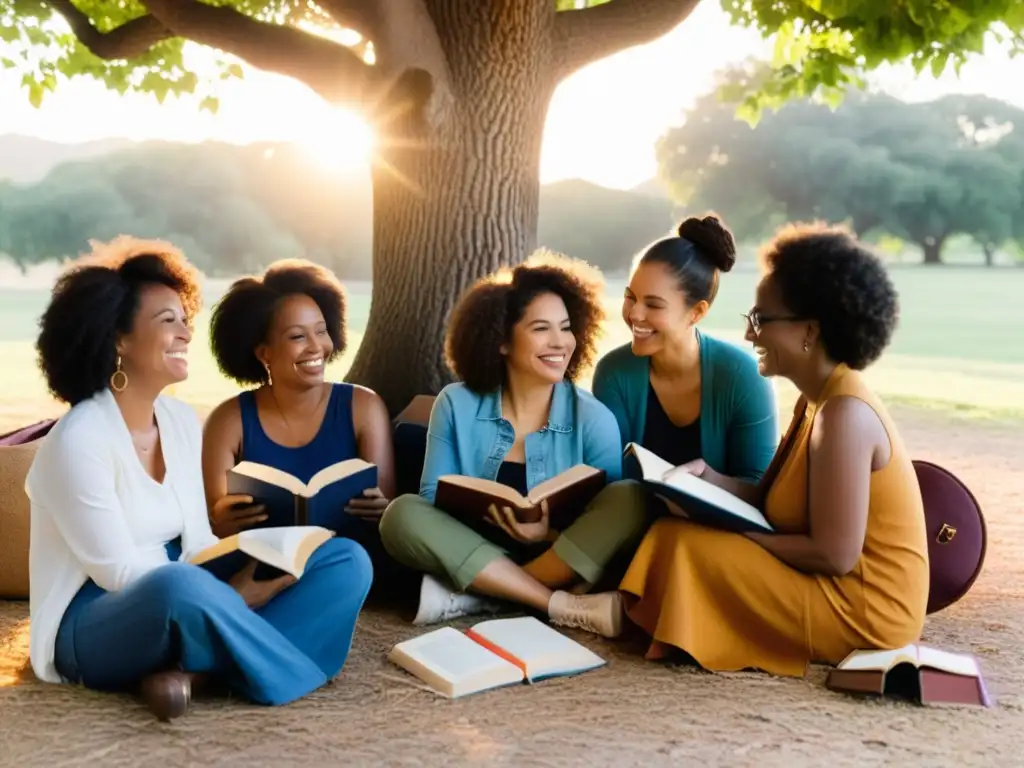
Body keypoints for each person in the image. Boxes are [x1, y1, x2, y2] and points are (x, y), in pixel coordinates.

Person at [26, 237, 373, 721]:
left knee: (343, 559)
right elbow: (117, 574)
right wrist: (236, 597)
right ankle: (275, 664)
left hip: (183, 581)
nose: (186, 333)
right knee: (177, 589)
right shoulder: (79, 438)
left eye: (184, 319)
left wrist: (274, 554)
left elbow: (198, 542)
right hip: (95, 619)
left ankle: (193, 675)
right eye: (167, 321)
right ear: (118, 340)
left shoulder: (180, 421)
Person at [620, 222, 930, 676]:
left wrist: (741, 537)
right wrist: (706, 480)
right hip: (831, 586)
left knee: (690, 547)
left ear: (809, 330)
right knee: (674, 534)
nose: (750, 335)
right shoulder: (816, 400)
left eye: (761, 320)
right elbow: (769, 498)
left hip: (864, 612)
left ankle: (637, 618)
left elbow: (834, 555)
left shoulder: (844, 413)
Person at [378, 252, 645, 637]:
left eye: (566, 327)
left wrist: (547, 535)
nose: (560, 342)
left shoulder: (594, 417)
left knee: (630, 497)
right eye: (541, 329)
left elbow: (605, 515)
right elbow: (432, 494)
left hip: (558, 555)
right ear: (501, 341)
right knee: (401, 513)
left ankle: (483, 596)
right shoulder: (456, 403)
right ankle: (552, 603)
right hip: (471, 548)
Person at [201, 259, 396, 577]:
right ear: (264, 353)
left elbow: (387, 507)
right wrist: (221, 519)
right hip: (263, 566)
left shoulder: (364, 406)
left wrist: (384, 510)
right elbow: (214, 521)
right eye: (297, 337)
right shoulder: (228, 420)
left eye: (321, 331)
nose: (316, 346)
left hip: (349, 563)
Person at [593, 214, 777, 481]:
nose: (634, 314)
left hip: (717, 523)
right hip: (633, 517)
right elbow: (610, 477)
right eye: (630, 297)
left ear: (696, 312)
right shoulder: (614, 373)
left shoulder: (743, 377)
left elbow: (756, 484)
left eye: (653, 305)